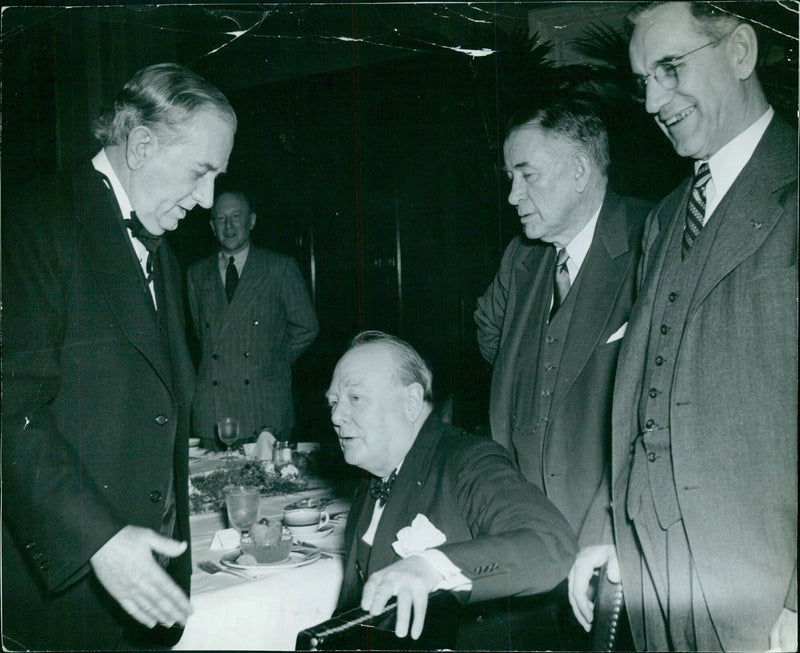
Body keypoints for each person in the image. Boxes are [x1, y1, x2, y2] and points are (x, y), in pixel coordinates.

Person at [568, 3, 797, 651]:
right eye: (645, 80)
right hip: (656, 574)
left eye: (670, 68)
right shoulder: (666, 220)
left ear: (742, 51)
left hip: (766, 590)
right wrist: (604, 525)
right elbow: (641, 390)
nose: (652, 101)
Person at [2, 63, 236, 650]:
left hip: (143, 595)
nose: (208, 200)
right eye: (201, 172)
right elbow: (10, 409)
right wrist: (100, 539)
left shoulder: (166, 258)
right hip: (66, 592)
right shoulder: (30, 221)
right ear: (141, 144)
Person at [474, 99, 652, 647]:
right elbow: (489, 340)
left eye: (526, 175)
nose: (511, 196)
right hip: (526, 536)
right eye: (509, 178)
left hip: (615, 542)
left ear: (579, 170)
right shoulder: (521, 258)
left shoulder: (655, 236)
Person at [327, 331, 578, 648]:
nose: (336, 416)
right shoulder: (370, 481)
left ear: (412, 401)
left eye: (355, 399)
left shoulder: (468, 460)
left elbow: (552, 545)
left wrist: (430, 565)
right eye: (333, 402)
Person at [187, 189, 318, 448]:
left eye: (236, 217)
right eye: (221, 219)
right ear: (212, 226)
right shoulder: (196, 274)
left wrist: (268, 359)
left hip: (263, 406)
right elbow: (204, 336)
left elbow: (307, 327)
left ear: (252, 221)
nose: (229, 226)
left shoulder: (279, 267)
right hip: (213, 410)